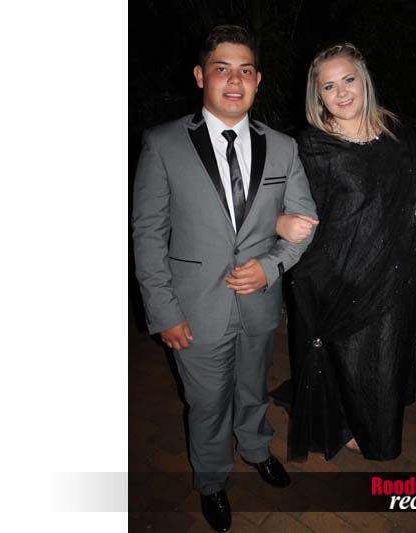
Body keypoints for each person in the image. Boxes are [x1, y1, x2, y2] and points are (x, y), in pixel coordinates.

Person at [132, 25, 317, 532]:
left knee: (253, 387)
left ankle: (256, 448)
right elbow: (148, 234)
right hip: (193, 308)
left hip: (259, 302)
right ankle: (212, 480)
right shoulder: (163, 143)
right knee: (207, 401)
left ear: (257, 80)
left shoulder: (283, 148)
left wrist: (271, 266)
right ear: (200, 76)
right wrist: (163, 312)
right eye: (221, 69)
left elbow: (304, 221)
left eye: (244, 71)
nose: (234, 80)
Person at [276, 43, 416, 462]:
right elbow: (280, 205)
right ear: (318, 96)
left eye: (348, 79)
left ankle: (369, 421)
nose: (341, 93)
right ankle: (344, 425)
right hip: (335, 273)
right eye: (328, 86)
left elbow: (405, 197)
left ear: (364, 79)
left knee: (383, 357)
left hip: (391, 270)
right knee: (345, 357)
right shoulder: (312, 147)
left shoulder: (397, 131)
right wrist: (280, 222)